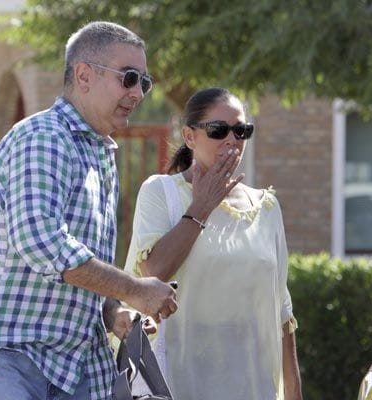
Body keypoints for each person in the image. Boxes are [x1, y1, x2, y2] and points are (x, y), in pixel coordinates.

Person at [0, 21, 177, 400]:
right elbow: (41, 243)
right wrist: (134, 289)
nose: (138, 93)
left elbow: (81, 267)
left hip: (71, 367)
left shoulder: (100, 155)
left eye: (144, 82)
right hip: (3, 357)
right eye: (129, 78)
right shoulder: (44, 137)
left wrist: (113, 313)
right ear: (83, 76)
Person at [124, 87, 303, 400]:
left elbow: (281, 312)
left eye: (241, 130)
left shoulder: (267, 207)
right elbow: (152, 275)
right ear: (189, 137)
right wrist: (201, 207)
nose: (232, 140)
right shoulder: (161, 193)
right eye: (219, 130)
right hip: (179, 381)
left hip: (251, 383)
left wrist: (293, 392)